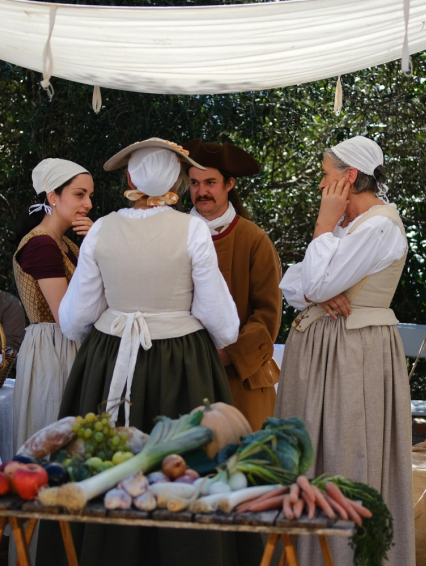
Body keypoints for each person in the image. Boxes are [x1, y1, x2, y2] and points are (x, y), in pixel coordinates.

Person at [53, 138, 259, 566]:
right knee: (185, 473)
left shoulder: (102, 229)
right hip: (182, 368)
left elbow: (74, 319)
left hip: (109, 363)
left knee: (101, 464)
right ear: (180, 184)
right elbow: (222, 323)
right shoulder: (193, 228)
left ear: (128, 179)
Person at [277, 136, 415, 566]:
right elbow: (292, 285)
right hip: (324, 355)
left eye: (326, 175)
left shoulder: (377, 226)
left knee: (345, 454)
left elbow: (314, 285)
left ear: (349, 177)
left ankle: (340, 557)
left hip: (351, 357)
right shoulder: (348, 229)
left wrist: (321, 231)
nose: (322, 185)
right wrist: (321, 285)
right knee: (313, 458)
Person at [183, 139, 282, 430]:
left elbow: (267, 317)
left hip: (241, 382)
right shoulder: (172, 235)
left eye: (210, 182)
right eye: (195, 183)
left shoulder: (255, 240)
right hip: (183, 376)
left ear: (229, 184)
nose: (202, 191)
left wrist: (226, 355)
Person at [11, 158, 94, 451]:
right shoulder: (41, 244)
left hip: (69, 344)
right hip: (53, 348)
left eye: (89, 196)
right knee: (53, 433)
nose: (88, 204)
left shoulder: (67, 244)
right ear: (53, 197)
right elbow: (65, 315)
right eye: (79, 194)